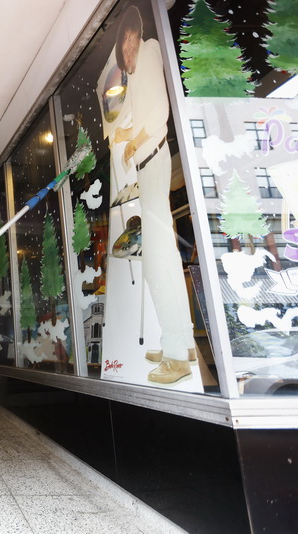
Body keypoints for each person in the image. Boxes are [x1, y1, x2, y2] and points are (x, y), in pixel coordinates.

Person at [112, 6, 196, 386]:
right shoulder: (137, 64)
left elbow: (157, 111)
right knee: (160, 260)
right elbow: (135, 111)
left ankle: (177, 357)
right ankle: (181, 342)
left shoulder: (148, 50)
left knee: (158, 262)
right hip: (149, 162)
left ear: (134, 33)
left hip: (155, 158)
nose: (127, 54)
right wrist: (126, 137)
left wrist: (135, 141)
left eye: (127, 43)